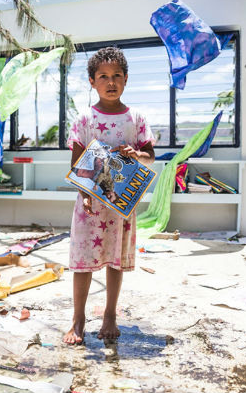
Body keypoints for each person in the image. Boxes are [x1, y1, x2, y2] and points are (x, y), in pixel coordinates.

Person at [63, 47, 155, 344]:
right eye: (103, 76)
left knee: (115, 259)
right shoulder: (85, 118)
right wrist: (85, 194)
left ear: (126, 79)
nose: (111, 81)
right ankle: (78, 319)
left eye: (117, 75)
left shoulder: (136, 117)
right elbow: (78, 163)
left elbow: (150, 157)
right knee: (83, 259)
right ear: (92, 81)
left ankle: (110, 315)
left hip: (121, 203)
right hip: (90, 201)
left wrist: (136, 154)